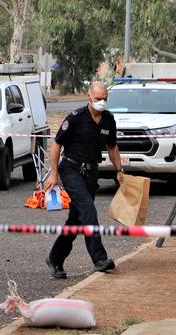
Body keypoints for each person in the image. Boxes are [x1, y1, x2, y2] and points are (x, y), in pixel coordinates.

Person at [45, 81, 125, 278]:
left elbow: (112, 147)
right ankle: (99, 258)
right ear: (89, 97)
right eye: (98, 99)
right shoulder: (76, 118)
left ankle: (55, 259)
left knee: (77, 219)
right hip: (71, 170)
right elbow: (56, 145)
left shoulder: (108, 120)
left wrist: (119, 170)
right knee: (88, 210)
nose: (102, 102)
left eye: (105, 99)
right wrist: (54, 174)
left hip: (91, 173)